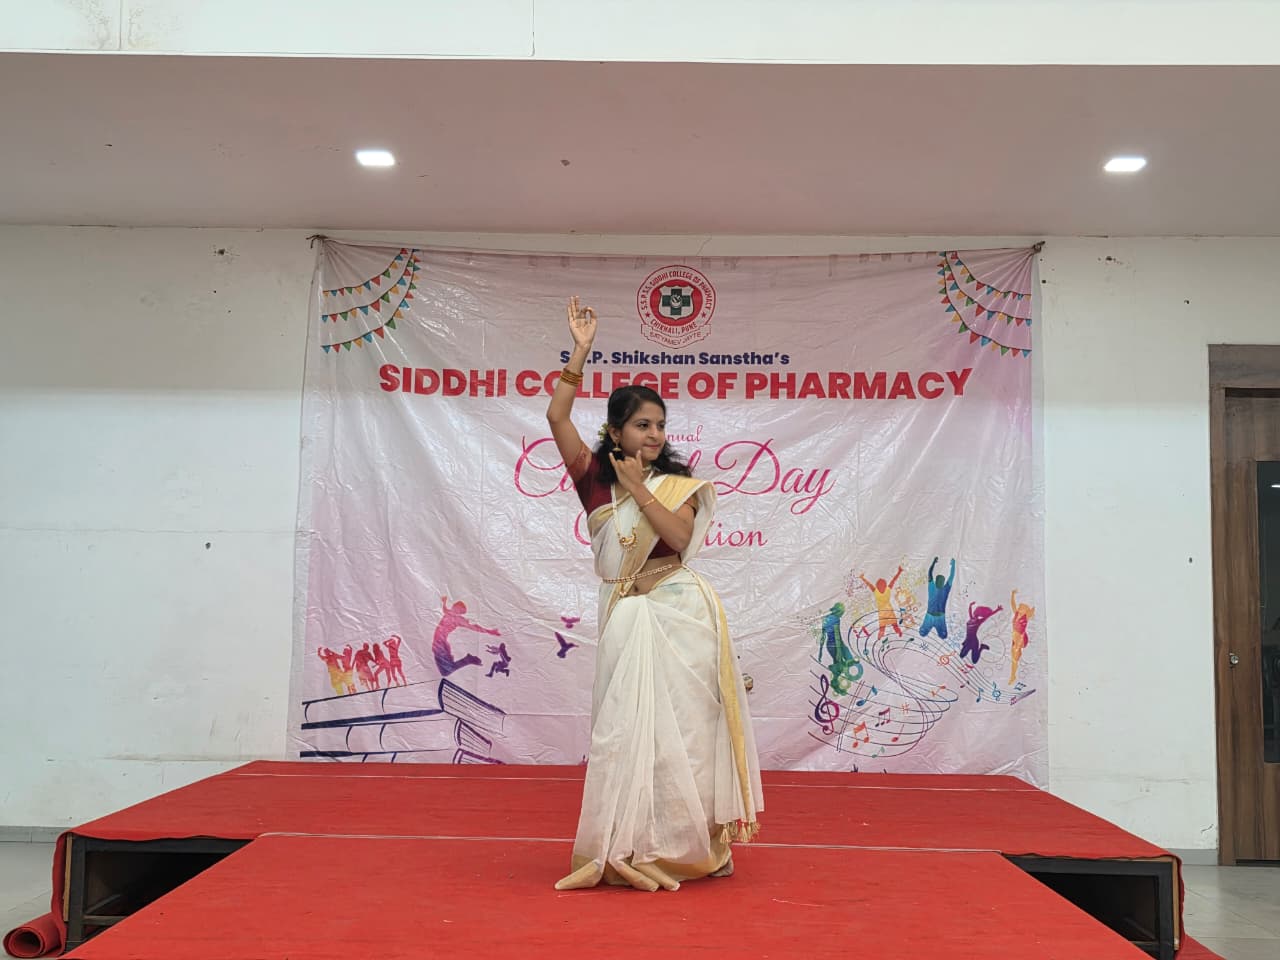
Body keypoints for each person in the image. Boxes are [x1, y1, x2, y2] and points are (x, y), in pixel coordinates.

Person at [547, 296, 763, 893]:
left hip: (679, 611)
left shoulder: (677, 484)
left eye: (660, 425)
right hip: (625, 615)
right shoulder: (594, 479)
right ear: (615, 430)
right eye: (643, 424)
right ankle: (627, 842)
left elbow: (680, 537)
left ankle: (689, 849)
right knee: (624, 732)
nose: (654, 434)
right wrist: (581, 352)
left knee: (682, 736)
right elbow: (557, 417)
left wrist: (641, 489)